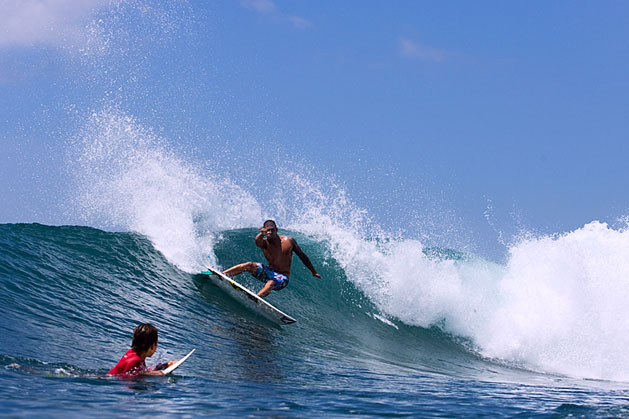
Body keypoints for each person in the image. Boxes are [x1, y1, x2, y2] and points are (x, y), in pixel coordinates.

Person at [223, 219, 321, 298]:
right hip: (269, 272)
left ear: (276, 230)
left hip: (283, 278)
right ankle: (223, 275)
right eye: (267, 230)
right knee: (248, 265)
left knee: (271, 283)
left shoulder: (288, 241)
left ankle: (255, 299)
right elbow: (257, 241)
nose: (270, 232)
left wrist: (313, 271)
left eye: (272, 230)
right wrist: (262, 234)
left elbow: (302, 255)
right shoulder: (264, 243)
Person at [108, 323, 176, 377]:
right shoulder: (135, 360)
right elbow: (128, 379)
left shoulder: (136, 355)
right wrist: (156, 374)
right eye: (156, 344)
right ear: (152, 346)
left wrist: (164, 366)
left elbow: (140, 372)